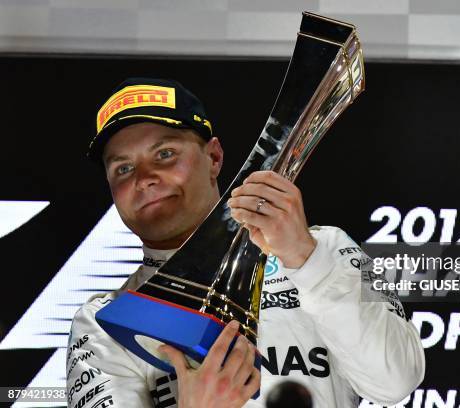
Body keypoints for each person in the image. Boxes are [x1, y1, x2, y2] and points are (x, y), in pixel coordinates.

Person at [66, 77, 425, 408]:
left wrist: (305, 259)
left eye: (165, 154)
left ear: (215, 157)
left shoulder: (325, 249)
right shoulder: (103, 323)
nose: (145, 179)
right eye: (123, 168)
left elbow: (395, 381)